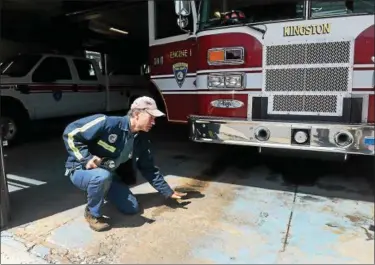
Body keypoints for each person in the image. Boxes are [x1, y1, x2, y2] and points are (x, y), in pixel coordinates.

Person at [62, 96, 186, 232]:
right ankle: (92, 212)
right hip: (81, 169)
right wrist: (86, 158)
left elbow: (148, 168)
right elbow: (71, 133)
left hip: (109, 174)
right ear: (137, 114)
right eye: (151, 117)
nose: (154, 122)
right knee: (101, 177)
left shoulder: (141, 140)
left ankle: (102, 190)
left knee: (132, 208)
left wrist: (167, 191)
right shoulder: (107, 123)